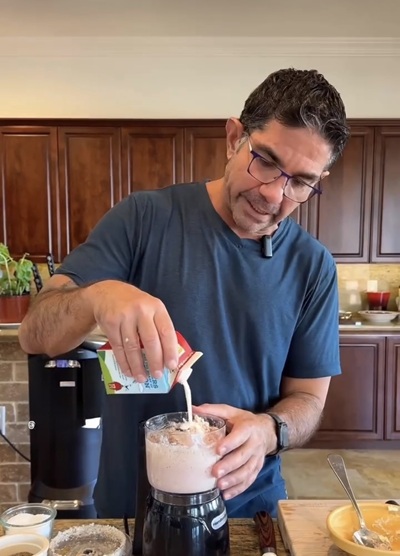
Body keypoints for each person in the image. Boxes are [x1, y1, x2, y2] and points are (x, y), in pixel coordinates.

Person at [19, 68, 350, 519]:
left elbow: (309, 400)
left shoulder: (312, 266)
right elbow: (35, 334)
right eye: (266, 161)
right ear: (233, 138)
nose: (274, 194)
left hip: (249, 510)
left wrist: (269, 430)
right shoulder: (143, 219)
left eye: (300, 182)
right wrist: (97, 296)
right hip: (134, 506)